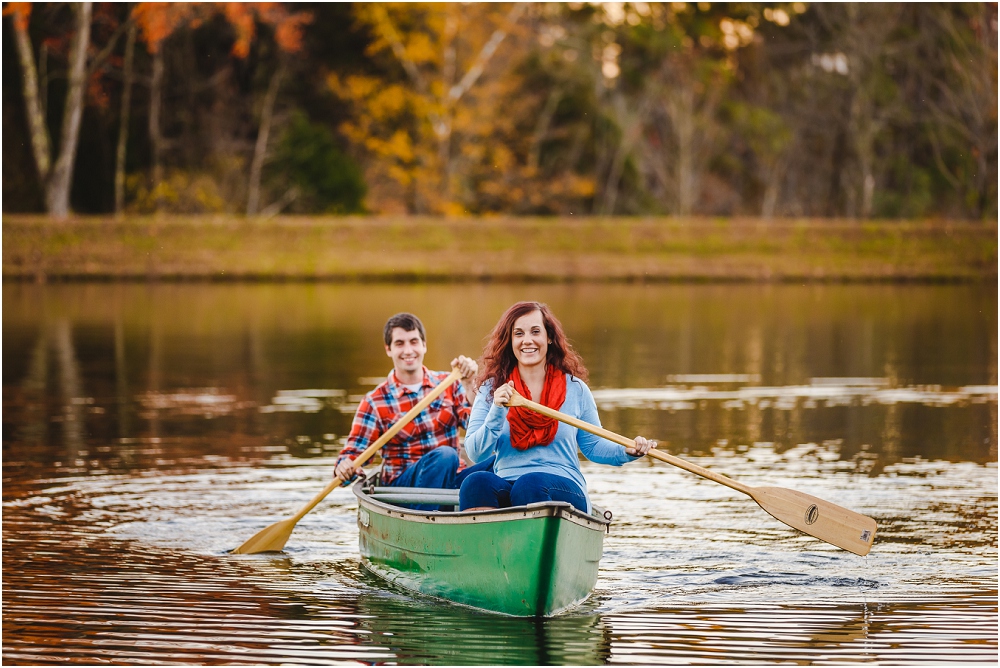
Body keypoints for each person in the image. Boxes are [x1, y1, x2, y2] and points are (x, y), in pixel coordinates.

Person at [459, 301, 656, 513]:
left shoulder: (575, 389)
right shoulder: (491, 390)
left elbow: (593, 447)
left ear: (549, 337)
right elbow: (476, 453)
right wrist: (498, 410)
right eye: (519, 334)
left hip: (563, 486)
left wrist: (627, 450)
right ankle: (493, 543)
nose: (527, 340)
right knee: (475, 482)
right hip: (508, 483)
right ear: (510, 340)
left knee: (530, 484)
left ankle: (537, 542)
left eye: (536, 332)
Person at [334, 313, 493, 501]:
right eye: (400, 343)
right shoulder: (374, 402)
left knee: (502, 460)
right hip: (404, 490)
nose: (408, 350)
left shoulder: (450, 383)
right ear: (388, 349)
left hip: (451, 478)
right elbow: (353, 456)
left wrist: (468, 385)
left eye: (414, 342)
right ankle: (429, 518)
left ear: (424, 345)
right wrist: (343, 467)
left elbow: (478, 429)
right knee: (445, 456)